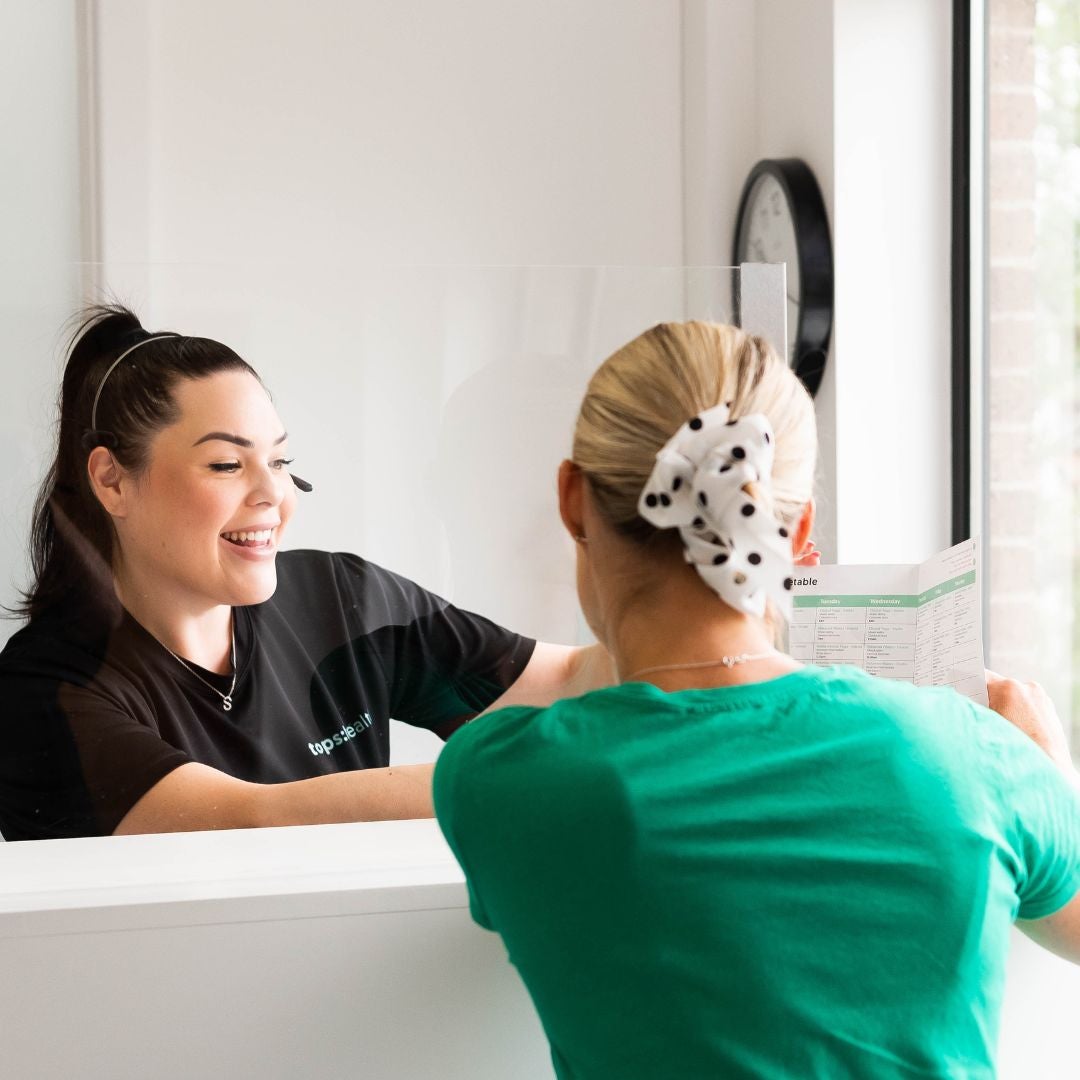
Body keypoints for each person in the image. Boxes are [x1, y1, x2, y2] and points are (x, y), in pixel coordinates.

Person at [433, 321, 1080, 1079]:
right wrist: (1050, 777)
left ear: (573, 500)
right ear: (797, 527)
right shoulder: (973, 755)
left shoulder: (499, 780)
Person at [0, 305, 614, 841]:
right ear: (111, 480)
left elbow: (563, 680)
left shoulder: (341, 599)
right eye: (225, 463)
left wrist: (698, 627)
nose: (275, 492)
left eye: (280, 459)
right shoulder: (48, 693)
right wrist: (520, 783)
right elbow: (251, 822)